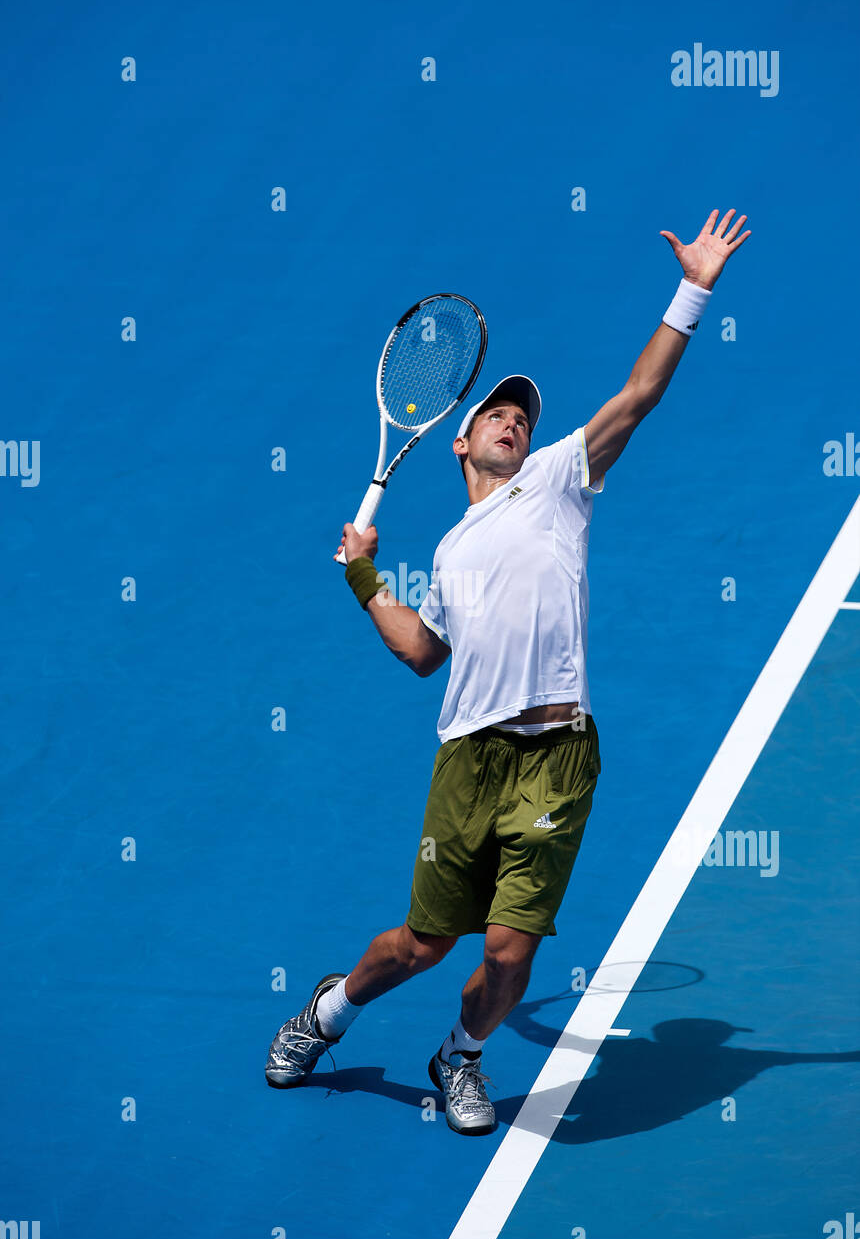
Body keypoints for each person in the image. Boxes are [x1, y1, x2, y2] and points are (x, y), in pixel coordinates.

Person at [266, 208, 751, 1135]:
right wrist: (364, 576)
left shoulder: (561, 480)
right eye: (497, 412)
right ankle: (327, 1014)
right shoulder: (447, 552)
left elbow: (639, 394)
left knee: (510, 951)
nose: (513, 422)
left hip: (557, 759)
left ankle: (461, 1056)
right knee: (422, 944)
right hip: (468, 763)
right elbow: (421, 654)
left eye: (521, 417)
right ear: (460, 440)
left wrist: (695, 286)